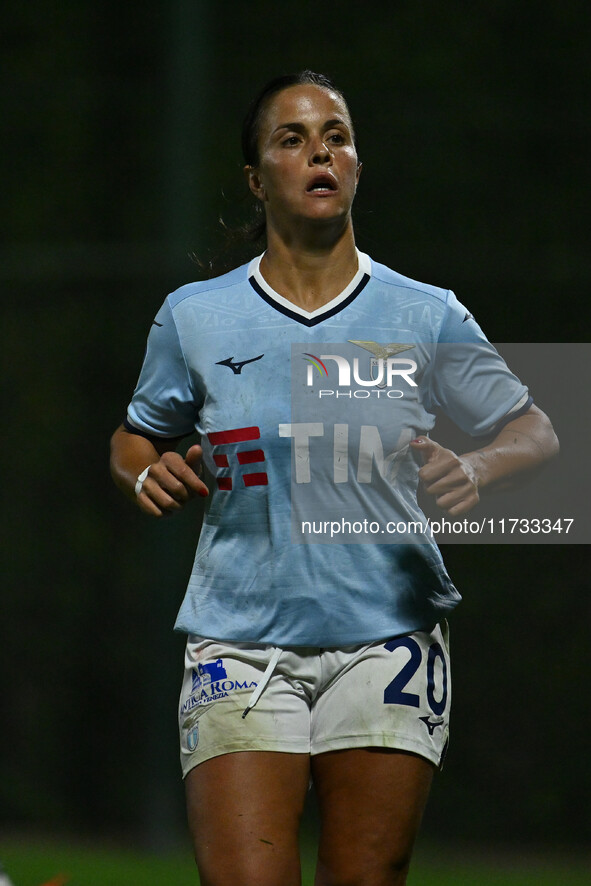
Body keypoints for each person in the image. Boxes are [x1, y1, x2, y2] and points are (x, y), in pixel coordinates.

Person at [110, 71, 558, 886]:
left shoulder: (424, 312)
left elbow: (536, 430)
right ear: (257, 178)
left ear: (354, 166)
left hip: (388, 638)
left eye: (337, 136)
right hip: (238, 643)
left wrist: (478, 466)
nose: (320, 150)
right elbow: (135, 436)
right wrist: (147, 475)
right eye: (292, 138)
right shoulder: (196, 315)